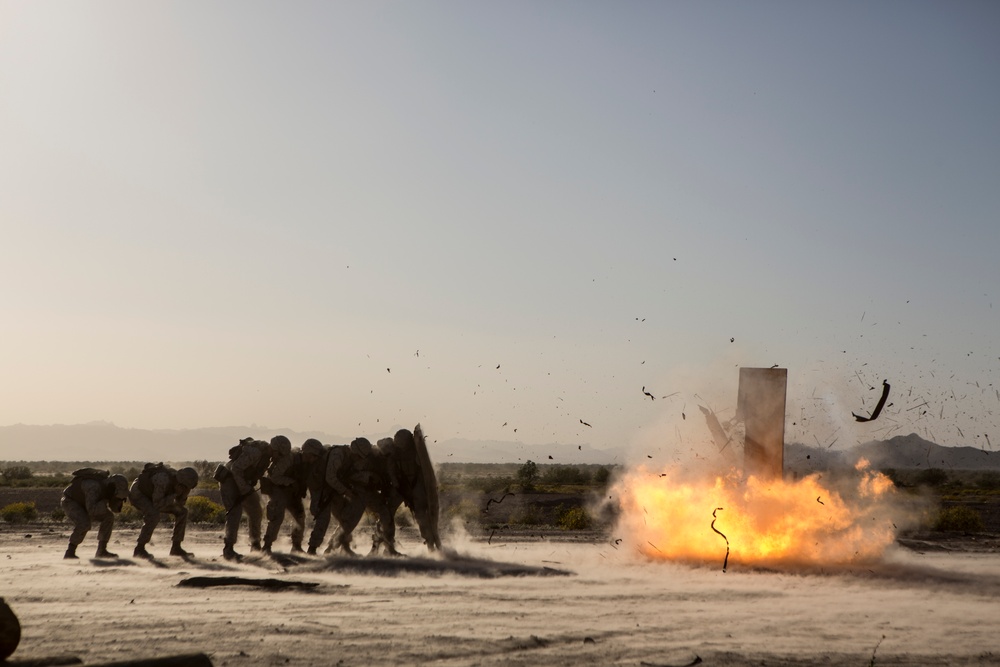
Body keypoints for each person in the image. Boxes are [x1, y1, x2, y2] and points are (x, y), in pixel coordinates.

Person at [374, 426, 441, 552]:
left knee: (421, 515)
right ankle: (385, 543)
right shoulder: (393, 452)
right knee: (386, 513)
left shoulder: (416, 452)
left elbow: (425, 472)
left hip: (415, 487)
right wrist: (395, 482)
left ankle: (431, 544)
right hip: (400, 486)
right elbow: (390, 467)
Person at [215, 437, 273, 560]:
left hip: (242, 483)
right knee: (234, 513)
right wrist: (244, 490)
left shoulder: (266, 457)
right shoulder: (256, 453)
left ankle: (255, 545)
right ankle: (228, 549)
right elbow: (236, 469)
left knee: (256, 512)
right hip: (229, 481)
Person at [129, 463, 199, 558]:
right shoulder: (162, 480)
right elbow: (157, 505)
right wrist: (174, 495)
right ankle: (139, 549)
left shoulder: (179, 484)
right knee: (153, 515)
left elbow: (179, 505)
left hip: (154, 497)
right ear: (181, 483)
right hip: (138, 493)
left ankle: (176, 548)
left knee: (182, 512)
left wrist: (182, 495)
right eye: (185, 488)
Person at [61, 468, 129, 559]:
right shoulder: (93, 486)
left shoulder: (105, 489)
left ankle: (102, 551)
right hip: (71, 501)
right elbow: (92, 511)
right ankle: (70, 552)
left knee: (109, 517)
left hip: (85, 503)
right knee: (84, 523)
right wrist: (105, 501)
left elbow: (112, 509)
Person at [261, 435, 307, 553]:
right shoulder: (284, 459)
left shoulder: (287, 459)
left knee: (300, 518)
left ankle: (296, 546)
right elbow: (275, 478)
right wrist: (292, 482)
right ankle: (267, 546)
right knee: (276, 518)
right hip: (279, 492)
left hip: (290, 493)